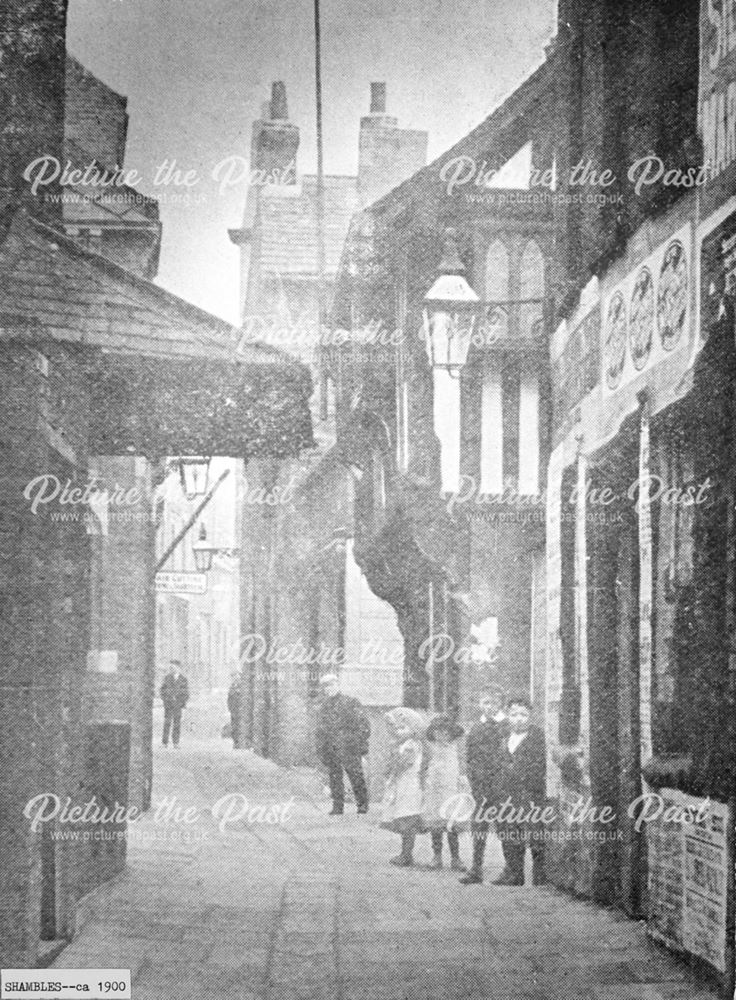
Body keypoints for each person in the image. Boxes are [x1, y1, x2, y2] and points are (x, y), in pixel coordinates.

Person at [494, 694, 546, 886]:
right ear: (508, 715)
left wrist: (519, 772)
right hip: (507, 793)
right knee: (508, 832)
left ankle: (540, 877)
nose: (518, 719)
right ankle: (514, 873)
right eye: (514, 714)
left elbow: (537, 765)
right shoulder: (505, 736)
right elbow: (498, 763)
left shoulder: (537, 736)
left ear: (530, 716)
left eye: (523, 714)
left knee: (534, 834)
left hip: (529, 792)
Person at [460, 685, 507, 885]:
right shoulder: (476, 728)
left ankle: (511, 867)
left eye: (494, 703)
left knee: (505, 825)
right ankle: (476, 868)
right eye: (486, 702)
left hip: (501, 785)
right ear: (480, 704)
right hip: (480, 786)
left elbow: (507, 756)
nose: (489, 707)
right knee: (479, 826)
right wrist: (472, 778)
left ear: (501, 704)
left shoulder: (505, 726)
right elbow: (470, 757)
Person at [315, 673, 370, 815]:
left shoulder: (351, 702)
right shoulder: (323, 707)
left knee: (356, 776)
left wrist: (357, 743)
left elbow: (364, 725)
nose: (329, 689)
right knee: (334, 778)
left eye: (332, 685)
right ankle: (337, 806)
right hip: (331, 748)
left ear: (338, 685)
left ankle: (362, 805)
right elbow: (320, 730)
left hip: (349, 747)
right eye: (326, 687)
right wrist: (322, 749)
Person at [421, 715, 468, 872]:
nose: (441, 736)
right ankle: (437, 856)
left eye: (445, 732)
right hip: (434, 790)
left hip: (451, 790)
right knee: (436, 825)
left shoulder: (456, 747)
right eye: (437, 732)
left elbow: (462, 764)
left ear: (451, 733)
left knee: (452, 825)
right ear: (432, 733)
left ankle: (456, 857)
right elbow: (424, 765)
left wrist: (462, 779)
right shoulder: (430, 747)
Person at [381, 707, 425, 867]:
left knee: (407, 818)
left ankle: (407, 854)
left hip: (409, 785)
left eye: (403, 728)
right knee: (402, 817)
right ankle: (405, 852)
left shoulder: (411, 745)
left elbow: (403, 764)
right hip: (402, 784)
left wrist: (393, 763)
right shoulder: (402, 744)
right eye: (397, 729)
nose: (399, 732)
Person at [161, 660, 189, 749]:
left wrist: (181, 702)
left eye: (173, 667)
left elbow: (186, 693)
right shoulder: (167, 678)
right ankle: (164, 742)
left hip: (178, 705)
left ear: (178, 668)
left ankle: (176, 742)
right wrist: (166, 699)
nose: (171, 669)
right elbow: (162, 690)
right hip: (168, 704)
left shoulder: (183, 679)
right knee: (167, 723)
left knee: (177, 724)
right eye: (170, 668)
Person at [227, 671, 242, 748]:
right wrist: (230, 709)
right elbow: (229, 699)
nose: (234, 679)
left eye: (236, 677)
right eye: (233, 678)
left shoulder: (241, 687)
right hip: (234, 710)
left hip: (240, 710)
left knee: (239, 726)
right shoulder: (232, 687)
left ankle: (239, 742)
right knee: (234, 726)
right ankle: (235, 742)